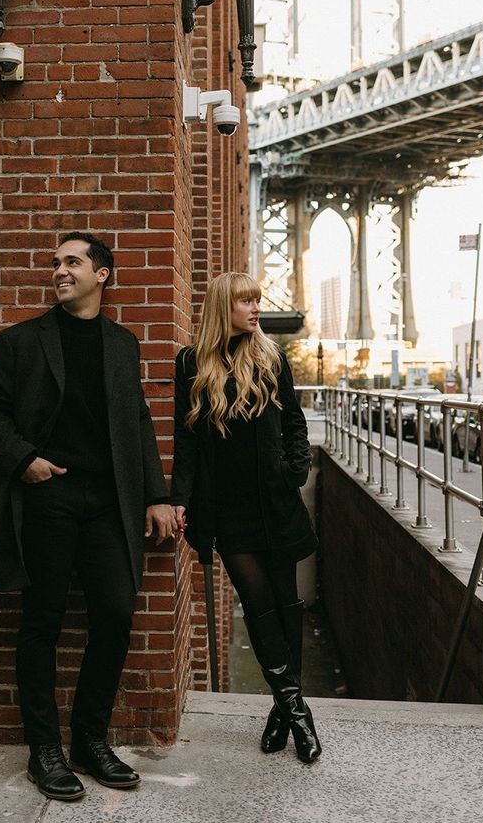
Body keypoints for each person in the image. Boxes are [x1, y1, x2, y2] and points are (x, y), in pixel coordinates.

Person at [0, 232, 176, 801]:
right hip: (48, 497)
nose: (59, 271)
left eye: (72, 262)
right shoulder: (19, 341)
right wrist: (26, 462)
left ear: (102, 274)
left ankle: (89, 740)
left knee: (114, 615)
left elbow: (137, 422)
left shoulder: (121, 343)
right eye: (55, 263)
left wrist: (155, 494)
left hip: (108, 501)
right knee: (43, 621)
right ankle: (45, 750)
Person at [171, 272, 322, 764]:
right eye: (246, 302)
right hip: (228, 511)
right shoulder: (192, 363)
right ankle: (299, 713)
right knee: (259, 607)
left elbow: (295, 421)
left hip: (275, 502)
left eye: (257, 300)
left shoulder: (271, 356)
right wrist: (182, 501)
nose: (256, 309)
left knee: (286, 607)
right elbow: (188, 441)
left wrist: (294, 471)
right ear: (223, 307)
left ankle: (283, 710)